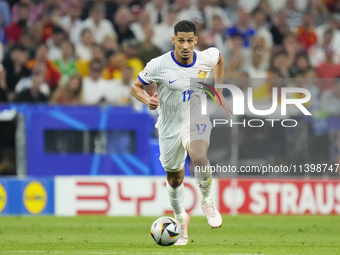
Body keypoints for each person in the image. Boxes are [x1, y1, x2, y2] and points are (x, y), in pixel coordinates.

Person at [130, 20, 232, 245]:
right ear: (174, 40)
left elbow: (220, 57)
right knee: (174, 179)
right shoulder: (159, 64)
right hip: (169, 125)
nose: (185, 45)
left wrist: (220, 90)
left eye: (190, 41)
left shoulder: (205, 57)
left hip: (195, 115)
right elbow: (135, 87)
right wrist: (148, 99)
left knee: (199, 157)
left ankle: (206, 200)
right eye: (181, 40)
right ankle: (180, 220)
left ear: (195, 41)